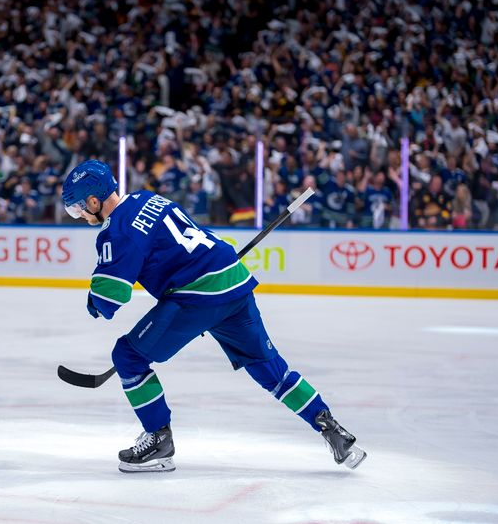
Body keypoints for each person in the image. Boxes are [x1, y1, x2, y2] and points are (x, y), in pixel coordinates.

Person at [61, 159, 366, 473]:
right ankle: (330, 427)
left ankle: (159, 441)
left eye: (79, 209)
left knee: (127, 357)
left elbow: (111, 297)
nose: (81, 216)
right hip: (232, 280)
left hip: (198, 296)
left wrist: (94, 303)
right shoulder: (147, 198)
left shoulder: (117, 231)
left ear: (94, 201)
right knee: (269, 368)